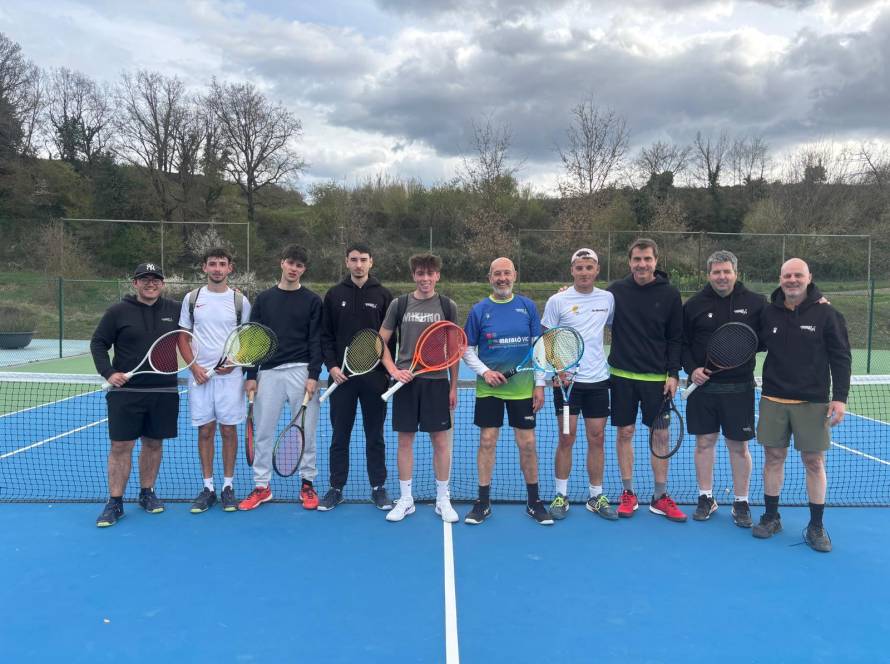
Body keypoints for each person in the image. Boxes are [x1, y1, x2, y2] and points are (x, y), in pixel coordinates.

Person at [752, 258, 851, 552]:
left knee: (814, 462)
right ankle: (771, 517)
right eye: (787, 275)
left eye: (798, 275)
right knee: (773, 458)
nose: (792, 280)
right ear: (780, 279)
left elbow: (841, 358)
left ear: (809, 278)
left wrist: (840, 398)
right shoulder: (768, 312)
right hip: (773, 398)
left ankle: (816, 526)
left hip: (813, 401)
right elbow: (751, 341)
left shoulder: (828, 314)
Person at [90, 262, 182, 527]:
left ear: (162, 284)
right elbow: (98, 343)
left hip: (163, 391)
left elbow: (203, 319)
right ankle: (115, 502)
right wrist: (108, 372)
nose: (150, 283)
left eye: (155, 279)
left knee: (153, 444)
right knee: (121, 446)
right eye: (145, 279)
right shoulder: (117, 312)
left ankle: (147, 493)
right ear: (135, 283)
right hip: (126, 392)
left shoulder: (176, 310)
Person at [462, 257, 553, 525]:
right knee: (487, 441)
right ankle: (483, 503)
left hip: (523, 389)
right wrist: (485, 372)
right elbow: (466, 349)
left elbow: (538, 348)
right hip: (489, 390)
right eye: (497, 274)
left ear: (514, 275)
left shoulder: (527, 307)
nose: (502, 278)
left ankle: (534, 502)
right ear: (490, 278)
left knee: (528, 444)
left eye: (506, 273)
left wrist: (539, 384)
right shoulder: (479, 310)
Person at [682, 250, 765, 527]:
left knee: (738, 447)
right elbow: (682, 343)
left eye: (726, 271)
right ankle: (706, 497)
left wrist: (816, 301)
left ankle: (741, 501)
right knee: (704, 443)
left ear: (735, 273)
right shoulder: (693, 305)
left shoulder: (755, 303)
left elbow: (770, 333)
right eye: (716, 272)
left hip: (739, 388)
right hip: (702, 389)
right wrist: (692, 368)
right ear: (709, 274)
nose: (722, 276)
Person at [238, 244, 323, 512]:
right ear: (281, 263)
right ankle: (261, 487)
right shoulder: (264, 300)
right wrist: (251, 375)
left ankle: (307, 484)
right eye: (290, 263)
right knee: (263, 432)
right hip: (269, 373)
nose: (294, 269)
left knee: (306, 432)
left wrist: (313, 374)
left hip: (301, 371)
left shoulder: (313, 301)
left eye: (299, 265)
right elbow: (253, 338)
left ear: (303, 269)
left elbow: (316, 340)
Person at [608, 238, 686, 522]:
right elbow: (588, 306)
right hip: (622, 377)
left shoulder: (670, 294)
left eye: (647, 259)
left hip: (657, 380)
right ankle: (628, 492)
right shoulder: (615, 291)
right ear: (629, 262)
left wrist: (674, 373)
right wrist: (567, 295)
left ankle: (659, 496)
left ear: (656, 261)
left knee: (661, 436)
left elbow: (676, 337)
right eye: (637, 259)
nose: (642, 264)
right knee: (625, 433)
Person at [379, 253, 460, 523]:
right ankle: (406, 500)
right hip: (406, 382)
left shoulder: (447, 306)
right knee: (405, 441)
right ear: (414, 275)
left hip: (436, 382)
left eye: (430, 274)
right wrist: (393, 371)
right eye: (420, 273)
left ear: (437, 276)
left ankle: (442, 499)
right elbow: (380, 342)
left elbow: (454, 350)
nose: (425, 279)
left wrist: (453, 386)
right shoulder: (399, 304)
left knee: (440, 441)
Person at [542, 248, 618, 521]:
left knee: (597, 438)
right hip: (567, 386)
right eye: (579, 268)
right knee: (566, 437)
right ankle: (560, 495)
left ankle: (596, 496)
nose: (584, 272)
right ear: (572, 270)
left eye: (589, 267)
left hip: (598, 382)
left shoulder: (608, 299)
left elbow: (615, 326)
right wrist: (558, 368)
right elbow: (547, 338)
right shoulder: (557, 301)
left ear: (597, 270)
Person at [318, 243, 394, 511]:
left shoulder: (384, 295)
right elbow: (325, 335)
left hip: (375, 379)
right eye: (354, 259)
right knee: (340, 436)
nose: (358, 264)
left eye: (363, 259)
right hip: (341, 378)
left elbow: (390, 340)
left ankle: (378, 488)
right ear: (346, 262)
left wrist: (388, 372)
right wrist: (331, 366)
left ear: (371, 261)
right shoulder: (334, 294)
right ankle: (336, 488)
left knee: (375, 436)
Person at [178, 247, 251, 514]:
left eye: (222, 264)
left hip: (230, 379)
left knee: (229, 431)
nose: (217, 269)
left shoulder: (240, 301)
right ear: (204, 267)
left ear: (230, 268)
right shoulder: (192, 298)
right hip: (200, 378)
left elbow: (249, 338)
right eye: (212, 264)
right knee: (205, 431)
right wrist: (193, 367)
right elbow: (182, 336)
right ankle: (208, 487)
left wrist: (234, 362)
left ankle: (228, 486)